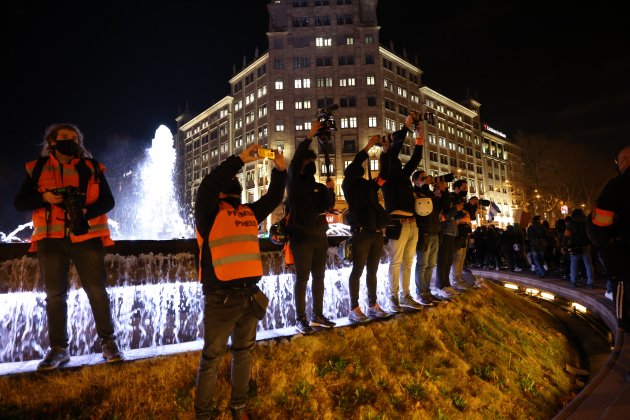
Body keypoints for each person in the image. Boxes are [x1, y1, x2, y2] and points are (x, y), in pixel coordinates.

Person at [14, 123, 123, 370]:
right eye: (65, 138)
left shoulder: (92, 167)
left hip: (87, 237)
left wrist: (85, 211)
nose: (70, 141)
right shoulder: (37, 168)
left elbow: (108, 201)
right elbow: (20, 202)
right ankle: (59, 349)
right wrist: (45, 198)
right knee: (55, 296)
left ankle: (109, 343)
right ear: (52, 141)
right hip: (50, 239)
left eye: (74, 138)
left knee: (97, 291)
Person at [193, 143, 286, 418]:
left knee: (222, 356)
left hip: (240, 297)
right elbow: (209, 187)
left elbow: (273, 198)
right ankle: (228, 409)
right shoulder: (212, 215)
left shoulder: (239, 213)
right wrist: (240, 160)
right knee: (230, 355)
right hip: (226, 297)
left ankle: (223, 410)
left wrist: (279, 170)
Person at [286, 121, 337, 334]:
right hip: (301, 238)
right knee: (302, 279)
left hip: (319, 237)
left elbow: (328, 206)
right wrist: (309, 136)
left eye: (311, 162)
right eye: (307, 162)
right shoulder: (294, 185)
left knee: (319, 277)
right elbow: (294, 163)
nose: (309, 165)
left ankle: (317, 314)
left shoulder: (317, 187)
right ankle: (300, 318)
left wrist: (330, 191)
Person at [379, 112, 425, 312]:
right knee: (396, 263)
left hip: (412, 223)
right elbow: (393, 153)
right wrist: (405, 128)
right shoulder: (386, 174)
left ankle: (407, 295)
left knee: (408, 262)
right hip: (397, 224)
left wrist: (420, 138)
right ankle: (393, 298)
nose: (396, 159)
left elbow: (415, 159)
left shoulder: (403, 174)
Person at [341, 134, 390, 321]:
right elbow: (356, 162)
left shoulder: (368, 185)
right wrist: (369, 145)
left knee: (372, 271)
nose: (359, 169)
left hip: (376, 231)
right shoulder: (349, 185)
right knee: (358, 271)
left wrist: (386, 150)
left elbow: (384, 176)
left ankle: (373, 304)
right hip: (361, 231)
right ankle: (354, 307)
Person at [588, 146, 630, 339]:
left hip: (625, 256)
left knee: (624, 297)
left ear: (624, 161)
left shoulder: (617, 185)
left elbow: (600, 223)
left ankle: (624, 334)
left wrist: (608, 244)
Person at [412, 170, 450, 305]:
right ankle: (420, 292)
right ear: (416, 181)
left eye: (427, 178)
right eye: (423, 178)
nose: (427, 179)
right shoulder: (415, 193)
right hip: (424, 232)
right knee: (422, 264)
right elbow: (422, 206)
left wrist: (444, 191)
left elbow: (445, 207)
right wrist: (425, 186)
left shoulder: (429, 193)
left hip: (435, 232)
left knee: (431, 264)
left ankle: (427, 291)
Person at [562, 208, 594, 288]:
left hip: (575, 246)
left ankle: (573, 282)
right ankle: (590, 283)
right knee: (588, 264)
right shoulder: (587, 221)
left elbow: (566, 236)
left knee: (574, 264)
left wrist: (563, 245)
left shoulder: (571, 223)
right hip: (586, 245)